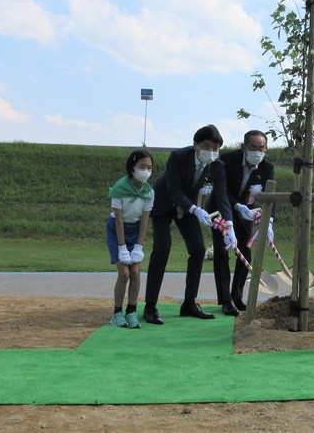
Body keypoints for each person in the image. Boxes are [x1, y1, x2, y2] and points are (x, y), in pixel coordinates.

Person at [143, 125, 236, 325]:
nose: (211, 152)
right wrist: (196, 210)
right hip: (164, 204)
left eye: (216, 148)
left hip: (190, 208)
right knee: (162, 248)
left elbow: (222, 197)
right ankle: (150, 305)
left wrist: (229, 225)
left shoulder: (218, 166)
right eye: (206, 146)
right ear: (195, 145)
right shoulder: (178, 156)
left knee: (198, 250)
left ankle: (189, 303)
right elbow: (174, 190)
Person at [208, 130, 276, 316]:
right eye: (253, 147)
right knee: (223, 252)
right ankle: (225, 300)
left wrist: (269, 221)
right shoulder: (226, 161)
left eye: (261, 148)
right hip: (221, 210)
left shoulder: (267, 167)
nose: (257, 151)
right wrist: (237, 206)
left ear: (266, 149)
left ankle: (237, 296)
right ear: (243, 147)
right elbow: (222, 191)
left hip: (246, 214)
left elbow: (271, 196)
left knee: (245, 251)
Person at [105, 149, 155, 329]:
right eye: (142, 166)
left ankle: (131, 310)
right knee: (124, 273)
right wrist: (122, 247)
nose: (146, 171)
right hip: (118, 230)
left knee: (135, 272)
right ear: (132, 167)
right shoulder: (120, 188)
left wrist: (138, 247)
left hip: (135, 231)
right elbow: (118, 220)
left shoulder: (149, 192)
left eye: (149, 168)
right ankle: (117, 312)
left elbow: (144, 221)